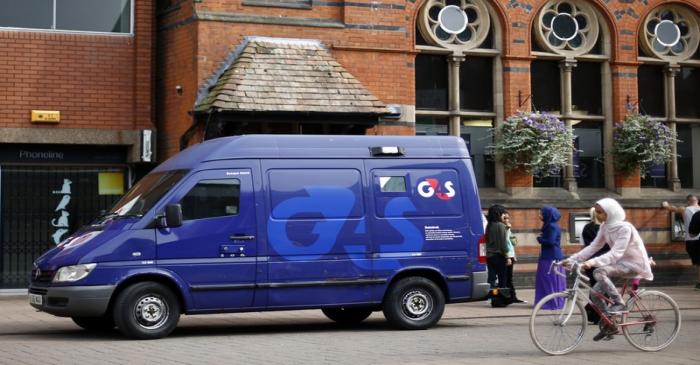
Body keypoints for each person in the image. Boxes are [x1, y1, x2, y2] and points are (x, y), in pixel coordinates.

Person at [565, 198, 653, 341]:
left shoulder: (625, 228)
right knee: (595, 294)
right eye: (597, 212)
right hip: (621, 264)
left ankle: (619, 303)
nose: (597, 215)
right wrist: (571, 260)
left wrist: (592, 262)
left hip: (634, 264)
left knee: (599, 271)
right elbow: (594, 247)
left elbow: (616, 253)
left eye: (600, 212)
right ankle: (610, 323)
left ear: (611, 212)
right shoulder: (605, 227)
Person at [662, 195, 700, 290]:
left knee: (698, 263)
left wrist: (665, 204)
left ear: (688, 201)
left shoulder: (684, 209)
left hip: (692, 240)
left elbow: (670, 208)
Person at [580, 207, 608, 325]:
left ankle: (595, 314)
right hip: (605, 262)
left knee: (594, 289)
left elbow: (583, 245)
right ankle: (599, 315)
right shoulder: (606, 228)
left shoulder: (586, 228)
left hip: (590, 263)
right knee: (603, 290)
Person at [534, 206, 565, 309]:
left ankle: (552, 303)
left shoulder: (551, 226)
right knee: (549, 279)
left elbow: (551, 242)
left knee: (549, 279)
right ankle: (551, 302)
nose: (539, 215)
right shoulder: (550, 225)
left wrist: (540, 239)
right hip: (550, 255)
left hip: (551, 257)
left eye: (541, 213)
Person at [485, 204, 509, 291]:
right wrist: (507, 256)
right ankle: (501, 298)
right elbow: (503, 243)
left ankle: (492, 297)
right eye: (503, 213)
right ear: (498, 214)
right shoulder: (501, 225)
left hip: (489, 255)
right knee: (502, 279)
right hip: (498, 255)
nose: (504, 215)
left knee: (491, 279)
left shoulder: (489, 225)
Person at [503, 212, 526, 304]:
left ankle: (512, 297)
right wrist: (508, 256)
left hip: (510, 256)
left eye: (508, 218)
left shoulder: (508, 230)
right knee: (506, 278)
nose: (507, 220)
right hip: (506, 256)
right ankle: (510, 297)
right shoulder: (503, 229)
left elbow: (511, 244)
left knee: (509, 278)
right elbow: (504, 242)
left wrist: (514, 256)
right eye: (505, 218)